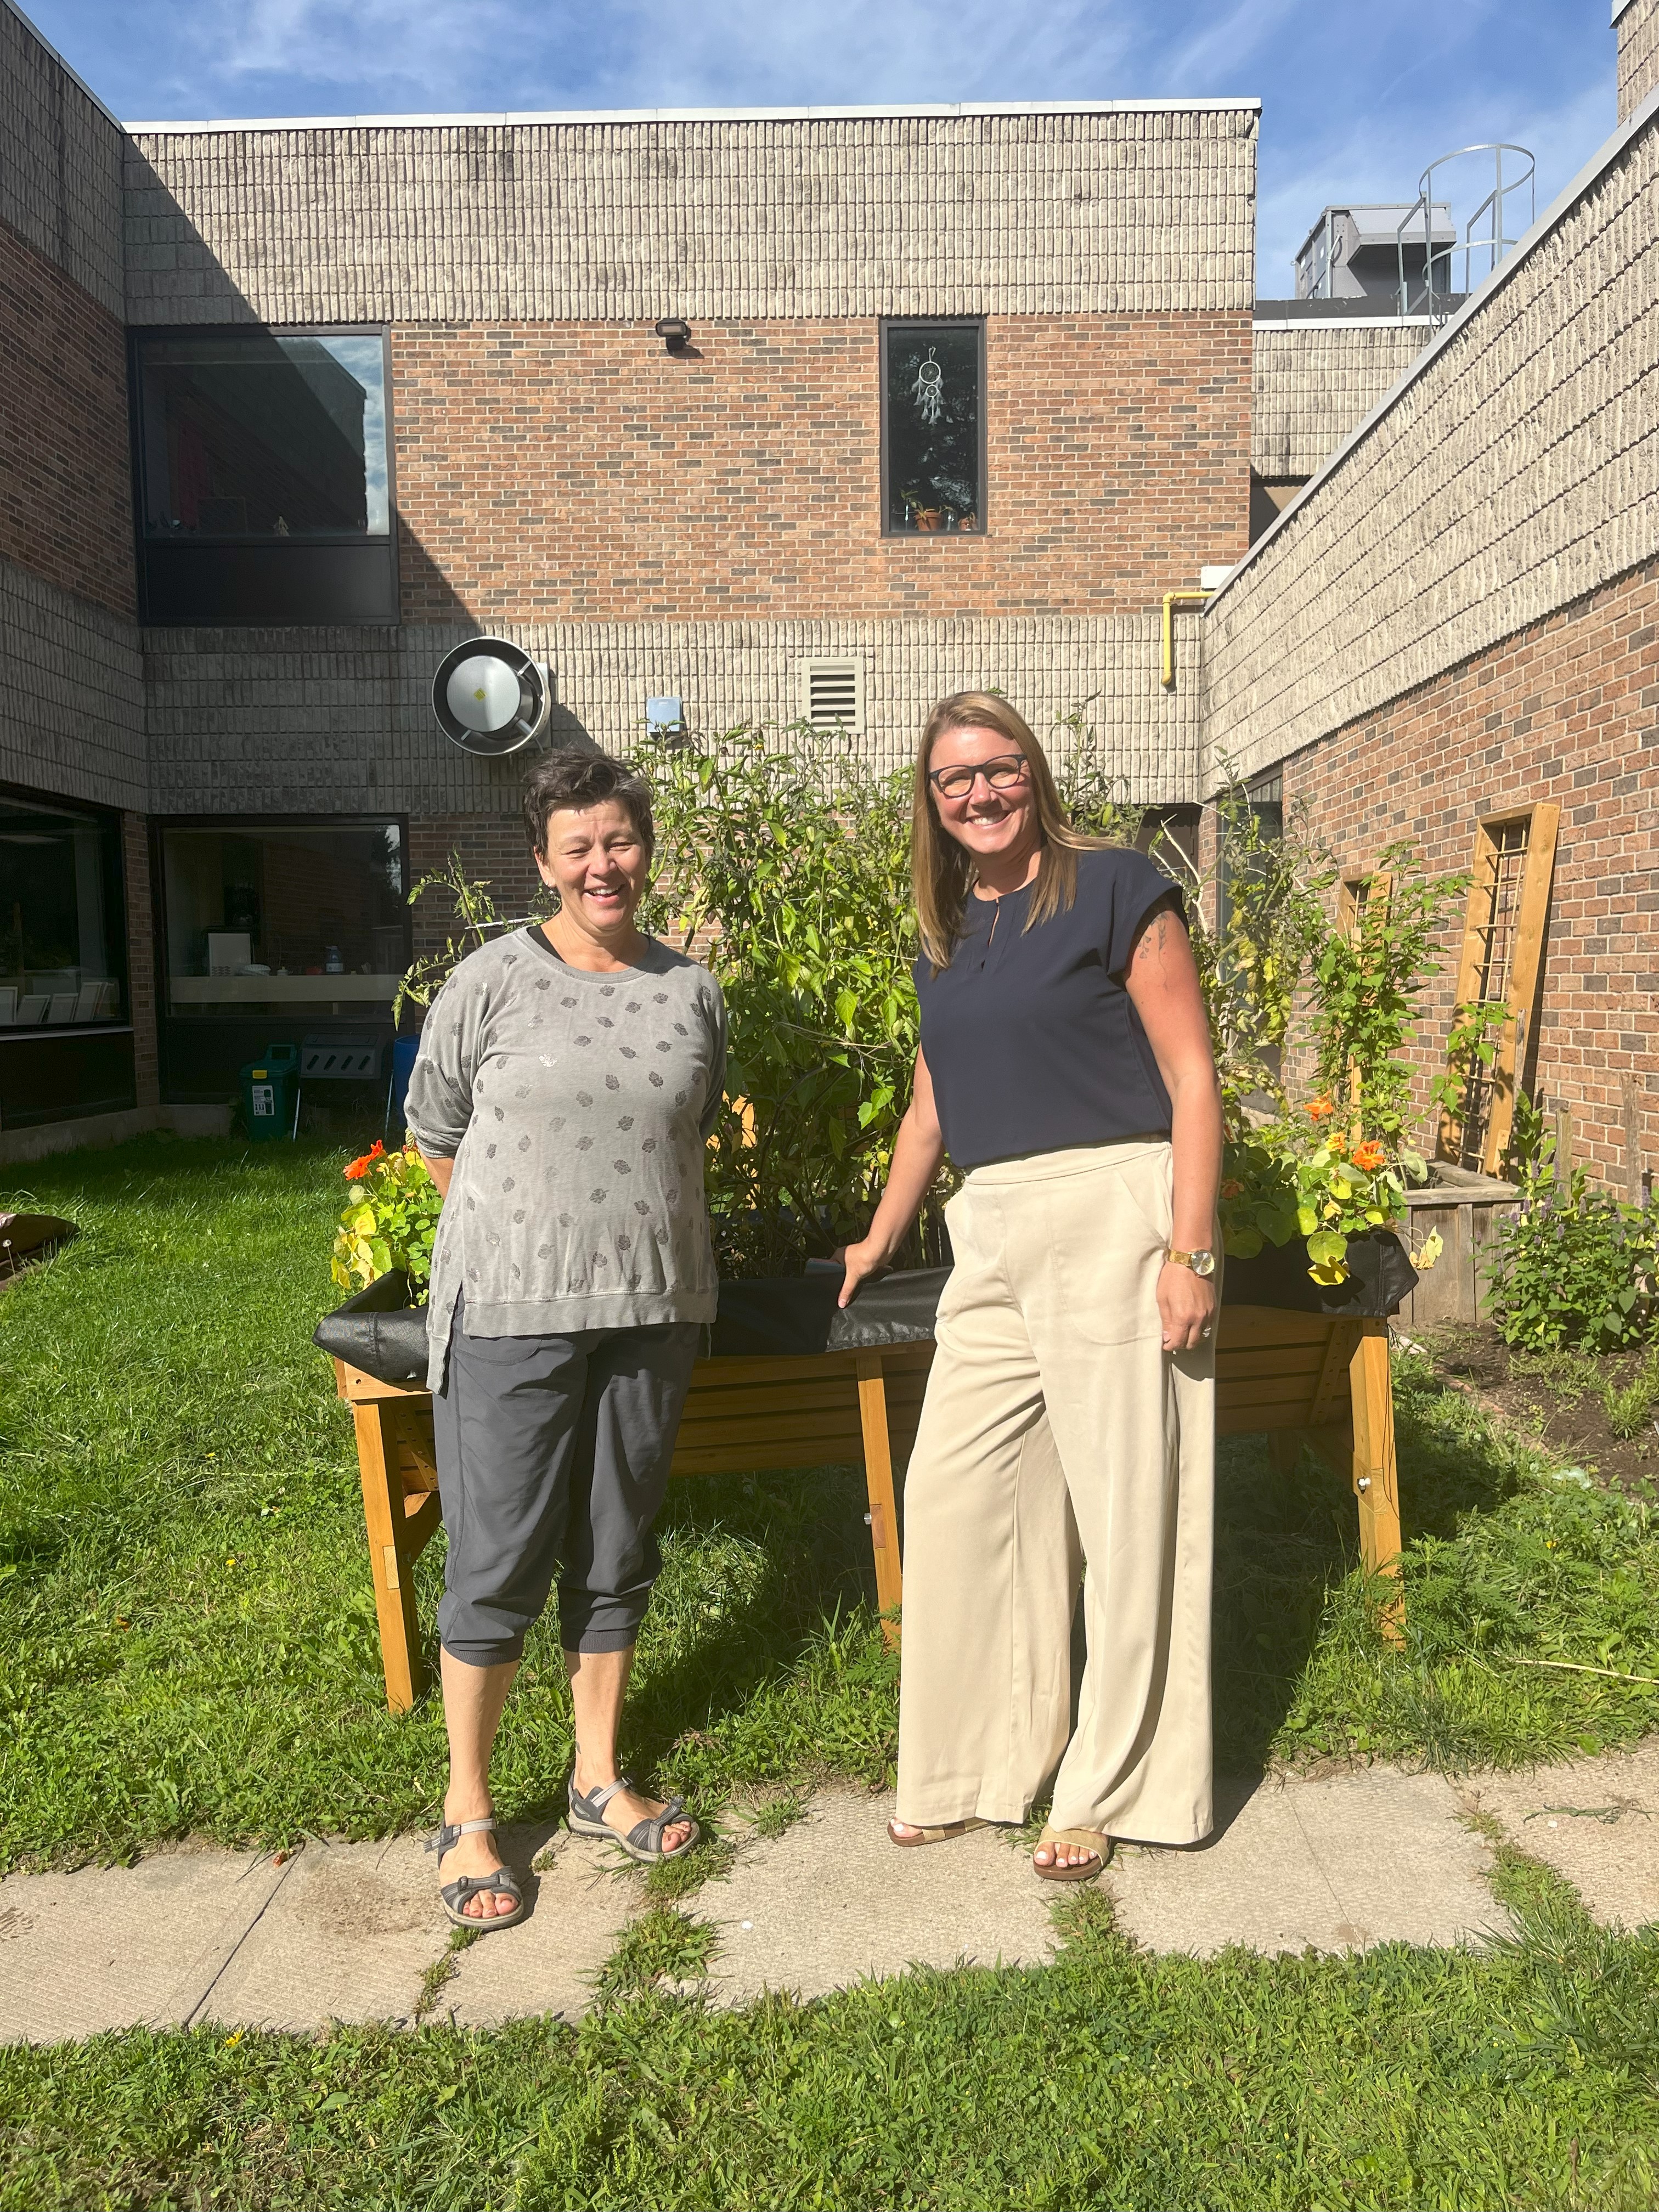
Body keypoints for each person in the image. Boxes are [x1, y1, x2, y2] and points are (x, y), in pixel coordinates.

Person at [839, 692, 1221, 1882]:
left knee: (1129, 1515)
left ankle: (1114, 1786)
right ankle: (973, 1766)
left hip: (1117, 1205)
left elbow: (1194, 1077)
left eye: (998, 770)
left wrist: (1191, 1249)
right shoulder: (946, 933)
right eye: (954, 781)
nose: (980, 795)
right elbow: (930, 1109)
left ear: (1033, 773)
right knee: (959, 1495)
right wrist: (879, 1235)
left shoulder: (1114, 887)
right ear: (932, 802)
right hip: (991, 1227)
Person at [403, 751, 727, 1928]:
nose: (605, 864)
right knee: (496, 1562)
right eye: (579, 847)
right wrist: (525, 1234)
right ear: (542, 862)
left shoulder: (691, 990)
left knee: (616, 1547)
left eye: (622, 841)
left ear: (647, 847)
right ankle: (470, 1812)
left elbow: (684, 1127)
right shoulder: (490, 982)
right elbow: (434, 1128)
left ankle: (596, 1779)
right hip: (510, 1314)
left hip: (654, 1310)